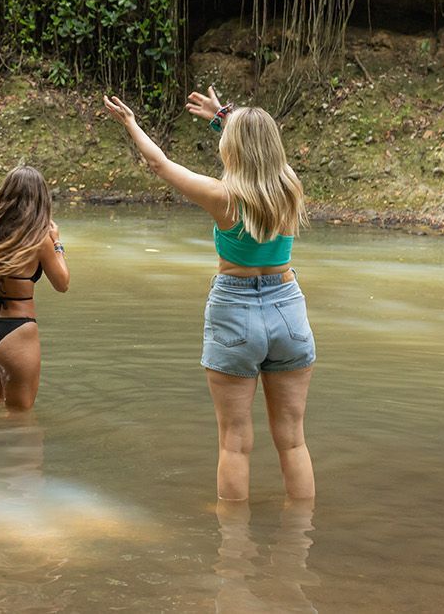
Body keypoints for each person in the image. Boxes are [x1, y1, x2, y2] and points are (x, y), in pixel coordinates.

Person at [104, 88, 314, 502]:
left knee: (234, 442)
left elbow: (159, 163)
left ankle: (233, 553)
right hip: (288, 310)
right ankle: (298, 545)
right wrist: (223, 115)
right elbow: (258, 147)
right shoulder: (290, 186)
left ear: (232, 147)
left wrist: (130, 123)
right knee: (293, 441)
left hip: (235, 311)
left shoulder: (223, 198)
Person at [0, 166, 69, 410]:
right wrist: (58, 243)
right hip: (15, 331)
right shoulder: (39, 238)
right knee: (19, 417)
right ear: (41, 198)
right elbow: (62, 283)